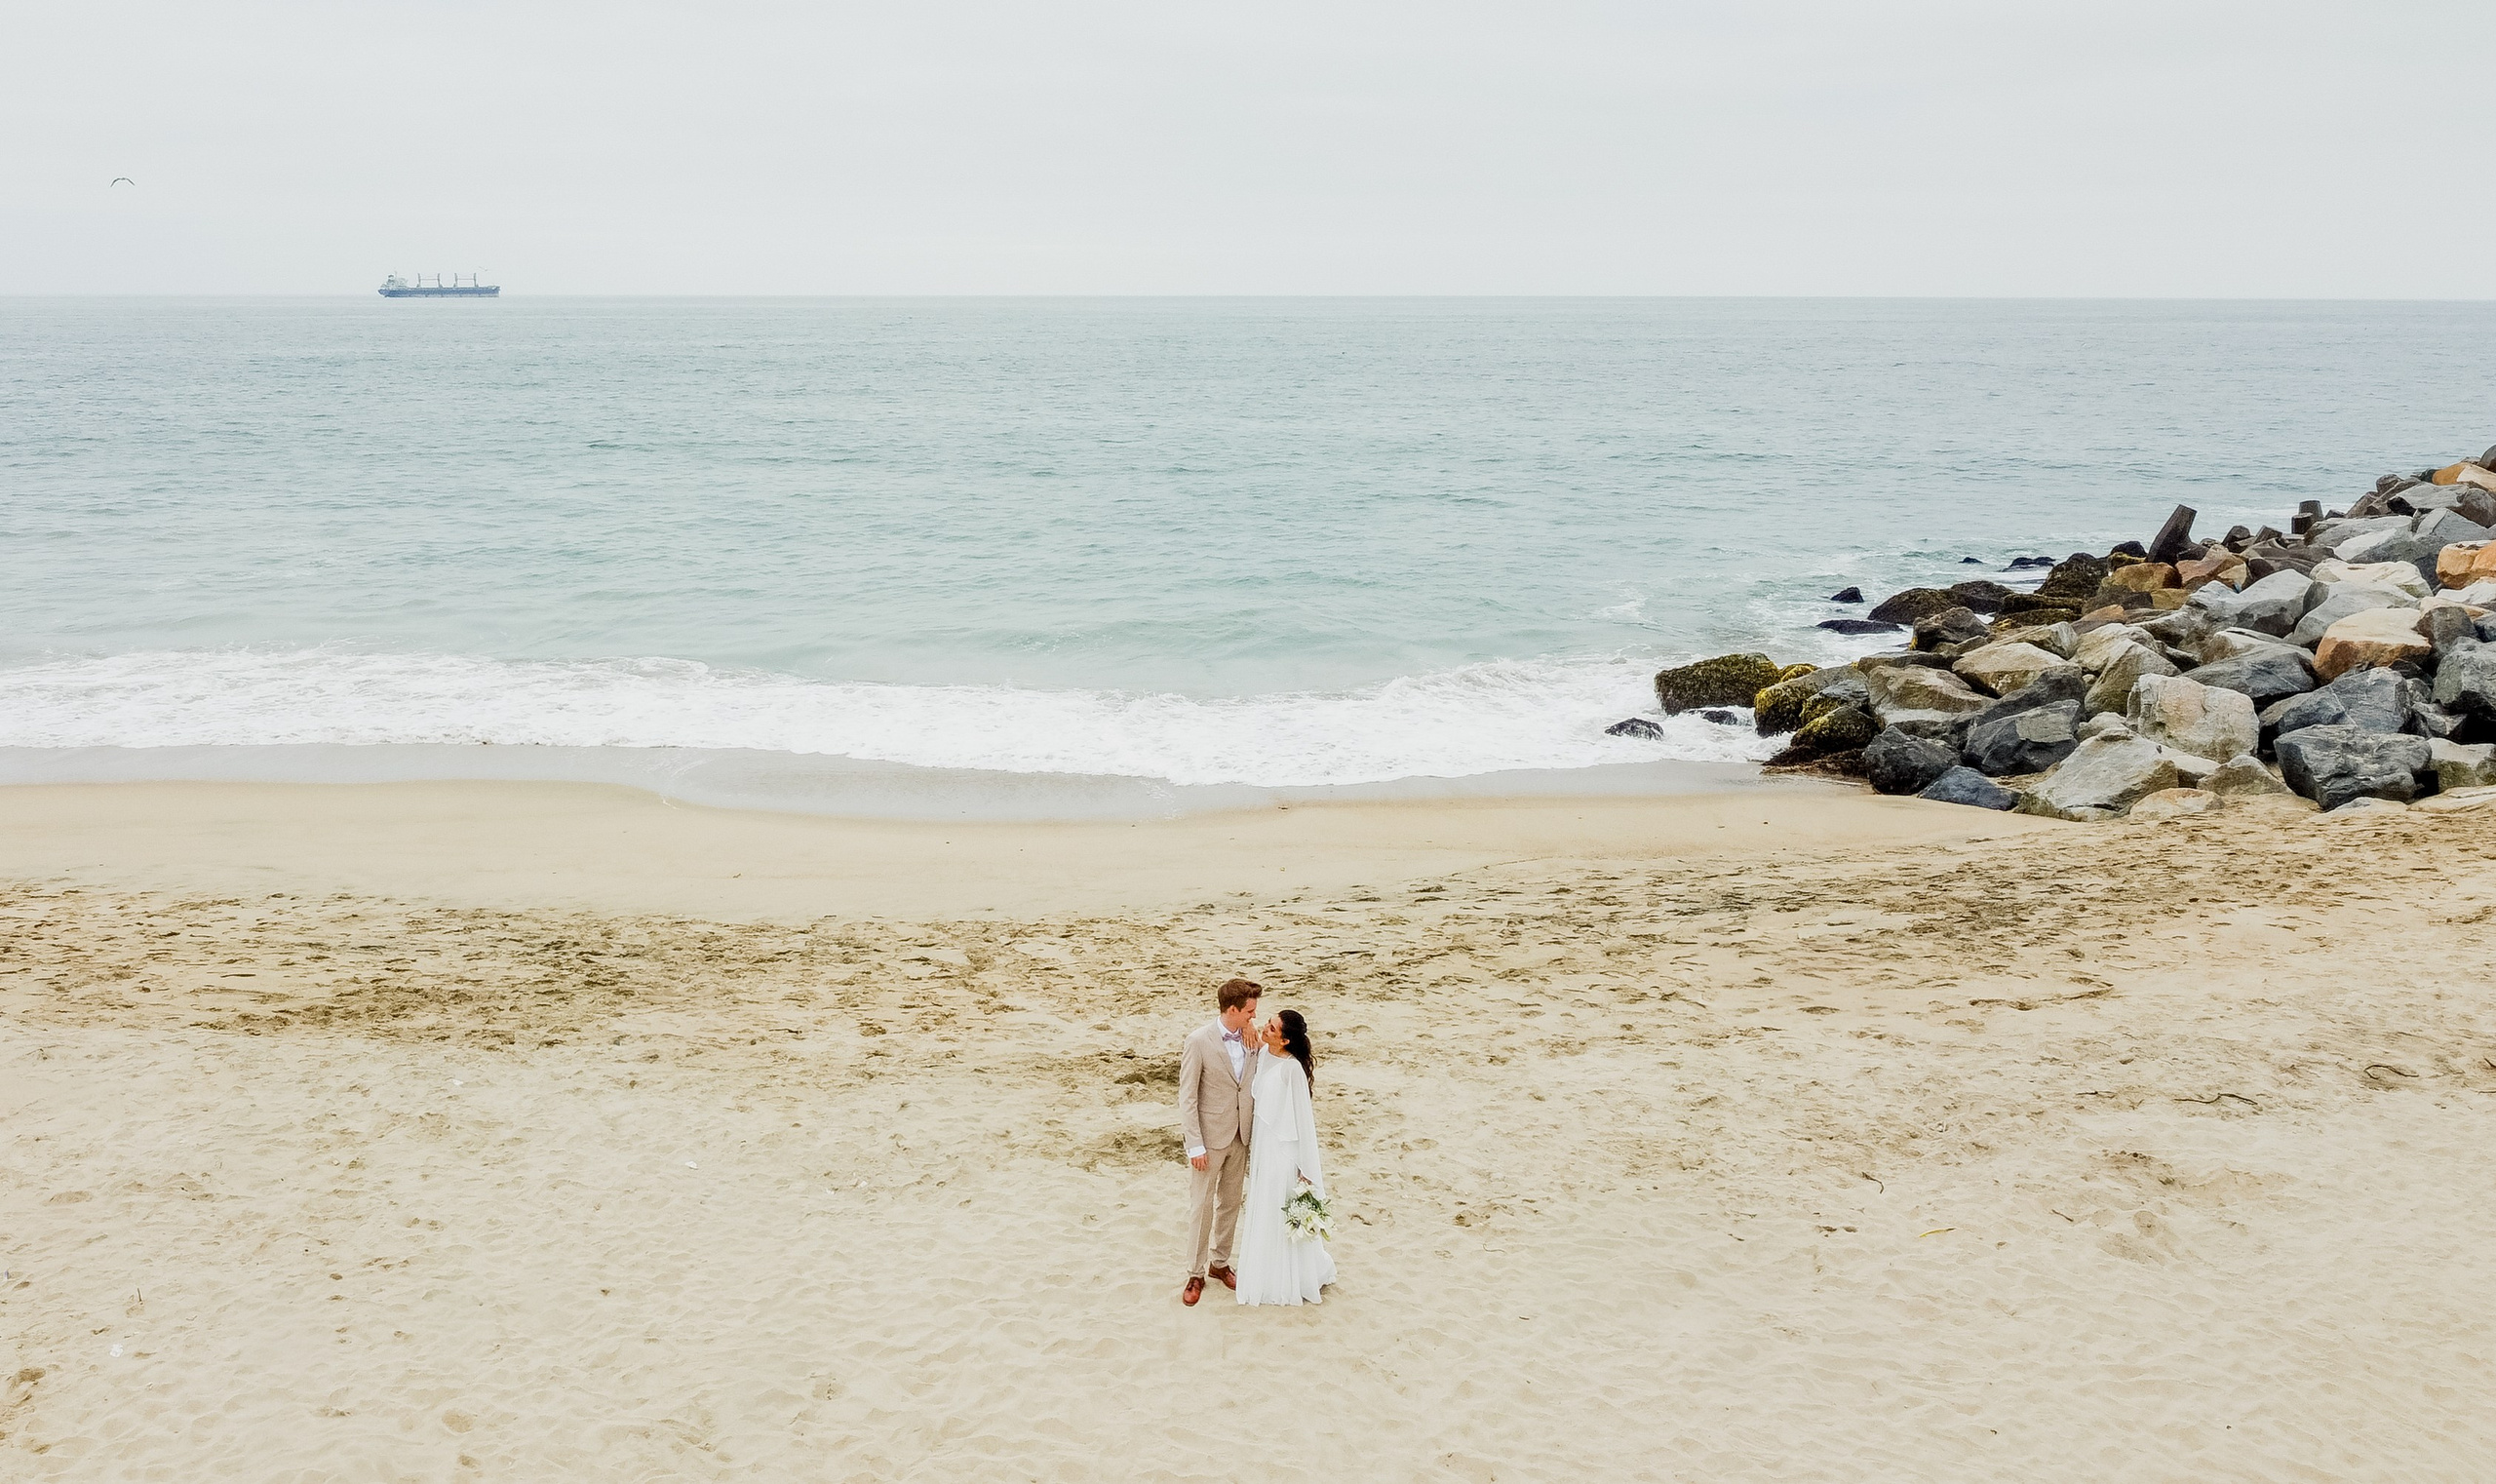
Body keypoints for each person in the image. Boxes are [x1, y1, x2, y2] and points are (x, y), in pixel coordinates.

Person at [1233, 1008, 1334, 1307]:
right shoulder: (1265, 1053)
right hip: (1263, 1144)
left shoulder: (1292, 1071)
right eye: (1269, 1023)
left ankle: (1288, 1277)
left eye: (1273, 1028)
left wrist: (1304, 1166)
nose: (1266, 1028)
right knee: (1262, 1203)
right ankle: (1264, 1271)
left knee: (1278, 1204)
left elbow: (1304, 1122)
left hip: (1283, 1149)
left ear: (1286, 1040)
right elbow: (1244, 1028)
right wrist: (1250, 1024)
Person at [1177, 978, 1262, 1307]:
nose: (1254, 1017)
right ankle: (1195, 1272)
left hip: (1240, 1134)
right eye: (1250, 1012)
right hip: (1209, 1139)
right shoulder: (1198, 1041)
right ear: (1232, 1010)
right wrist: (1194, 1144)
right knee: (1201, 1205)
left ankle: (1220, 1263)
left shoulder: (1252, 1037)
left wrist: (1253, 1033)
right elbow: (1187, 1096)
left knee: (1230, 1203)